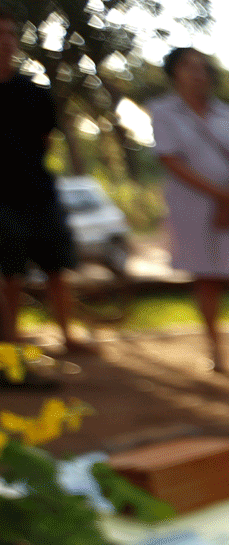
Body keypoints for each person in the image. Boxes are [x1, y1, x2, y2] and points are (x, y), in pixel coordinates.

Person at [149, 47, 229, 373]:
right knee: (207, 278)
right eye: (189, 66)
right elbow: (171, 160)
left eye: (203, 67)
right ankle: (215, 350)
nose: (197, 73)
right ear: (174, 73)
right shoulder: (162, 113)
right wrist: (221, 196)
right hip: (193, 209)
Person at [0, 9, 95, 356]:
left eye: (10, 33)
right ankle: (9, 342)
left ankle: (68, 335)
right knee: (9, 273)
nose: (6, 40)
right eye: (0, 34)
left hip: (39, 193)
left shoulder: (34, 93)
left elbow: (45, 139)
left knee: (56, 268)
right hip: (2, 200)